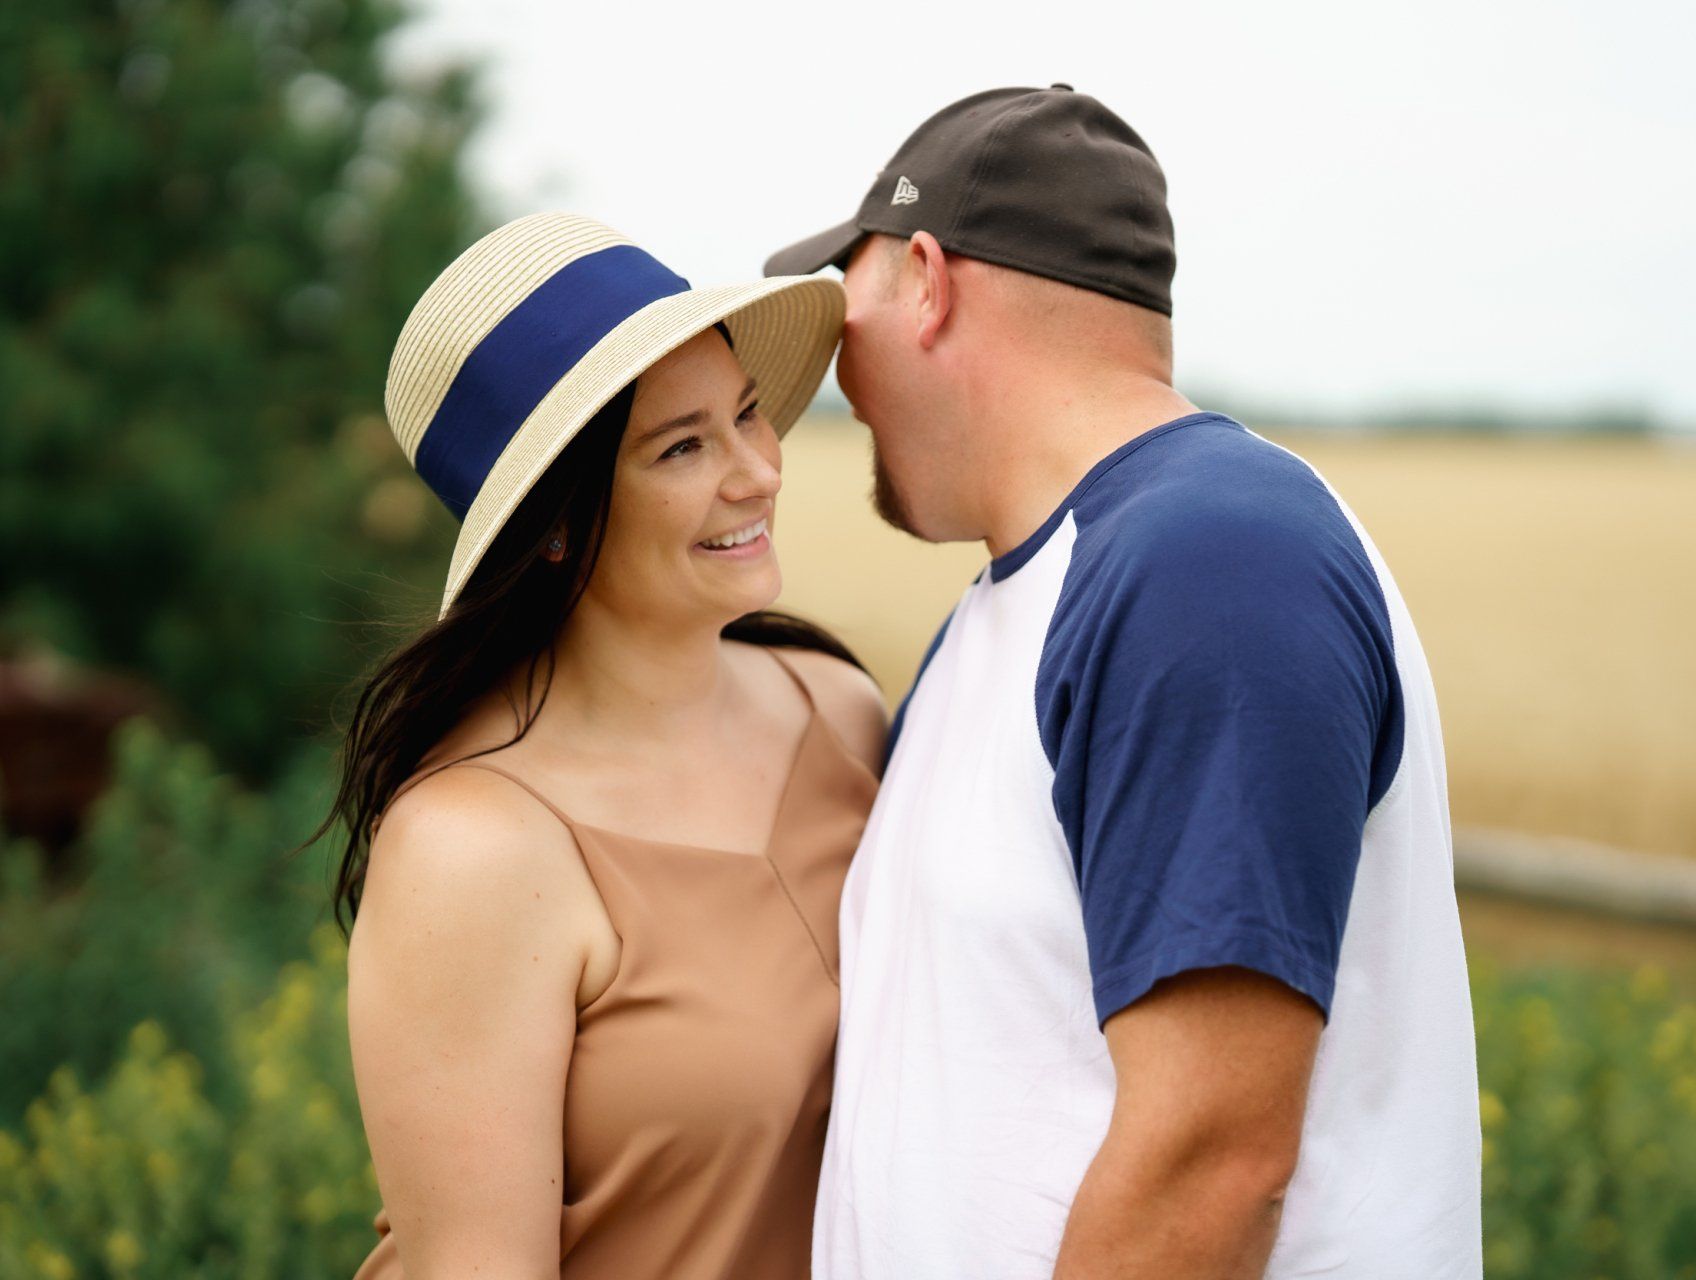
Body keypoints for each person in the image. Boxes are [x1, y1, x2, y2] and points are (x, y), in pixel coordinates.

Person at [763, 85, 1482, 1278]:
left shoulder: (1210, 560)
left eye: (852, 298)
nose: (837, 367)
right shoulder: (1021, 597)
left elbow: (1211, 1154)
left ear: (929, 279)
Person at [318, 211, 886, 1279]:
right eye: (683, 445)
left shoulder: (839, 706)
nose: (757, 471)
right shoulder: (474, 850)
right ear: (559, 524)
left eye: (748, 415)